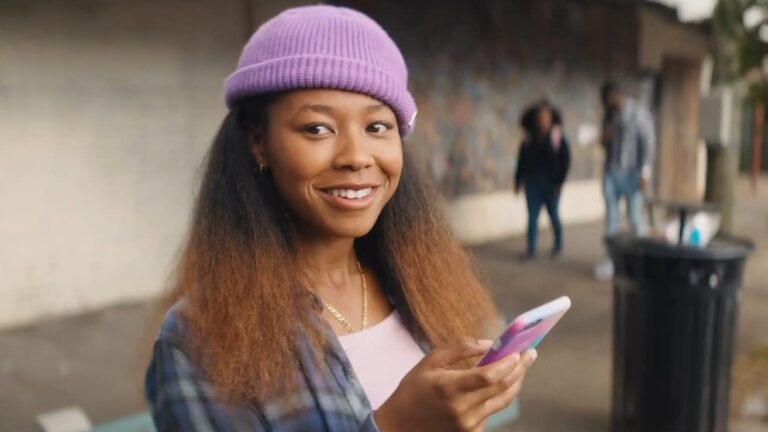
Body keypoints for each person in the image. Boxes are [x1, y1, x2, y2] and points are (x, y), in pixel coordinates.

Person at [144, 5, 537, 431]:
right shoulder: (199, 338)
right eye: (318, 129)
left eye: (377, 127)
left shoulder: (422, 288)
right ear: (258, 142)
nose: (355, 157)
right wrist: (396, 425)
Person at [594, 80, 656, 280]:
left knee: (635, 218)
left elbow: (648, 144)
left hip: (632, 173)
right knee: (611, 219)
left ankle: (639, 262)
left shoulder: (638, 113)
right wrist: (606, 135)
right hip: (611, 172)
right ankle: (611, 261)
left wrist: (645, 173)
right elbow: (604, 144)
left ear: (616, 95)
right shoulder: (610, 116)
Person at [515, 101, 571, 260]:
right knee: (532, 217)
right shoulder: (529, 140)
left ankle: (558, 245)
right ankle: (531, 250)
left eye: (546, 117)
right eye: (540, 117)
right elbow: (521, 162)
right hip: (532, 184)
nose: (543, 120)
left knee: (554, 216)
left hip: (551, 184)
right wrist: (518, 181)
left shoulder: (557, 138)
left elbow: (565, 161)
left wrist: (560, 182)